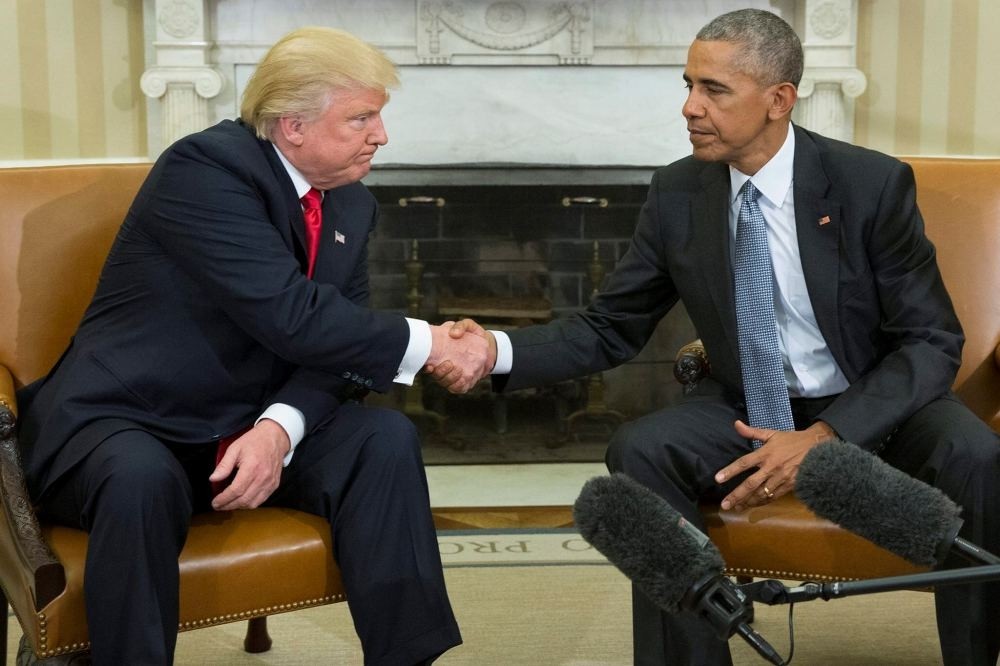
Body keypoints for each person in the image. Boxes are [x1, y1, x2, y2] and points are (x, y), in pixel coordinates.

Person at [433, 9, 1000, 666]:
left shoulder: (868, 185)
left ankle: (977, 656)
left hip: (875, 401)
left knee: (975, 454)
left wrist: (825, 438)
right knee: (639, 449)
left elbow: (930, 340)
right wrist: (491, 351)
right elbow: (609, 328)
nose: (689, 108)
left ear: (778, 100)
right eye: (687, 85)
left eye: (713, 90)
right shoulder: (679, 192)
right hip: (753, 409)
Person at [15, 27, 490, 666]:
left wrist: (279, 429)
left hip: (246, 423)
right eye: (362, 117)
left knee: (384, 441)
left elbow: (338, 343)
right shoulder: (205, 170)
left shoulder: (351, 205)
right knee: (140, 478)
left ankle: (407, 657)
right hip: (130, 417)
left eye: (379, 115)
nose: (381, 135)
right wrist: (428, 340)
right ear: (291, 125)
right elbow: (292, 316)